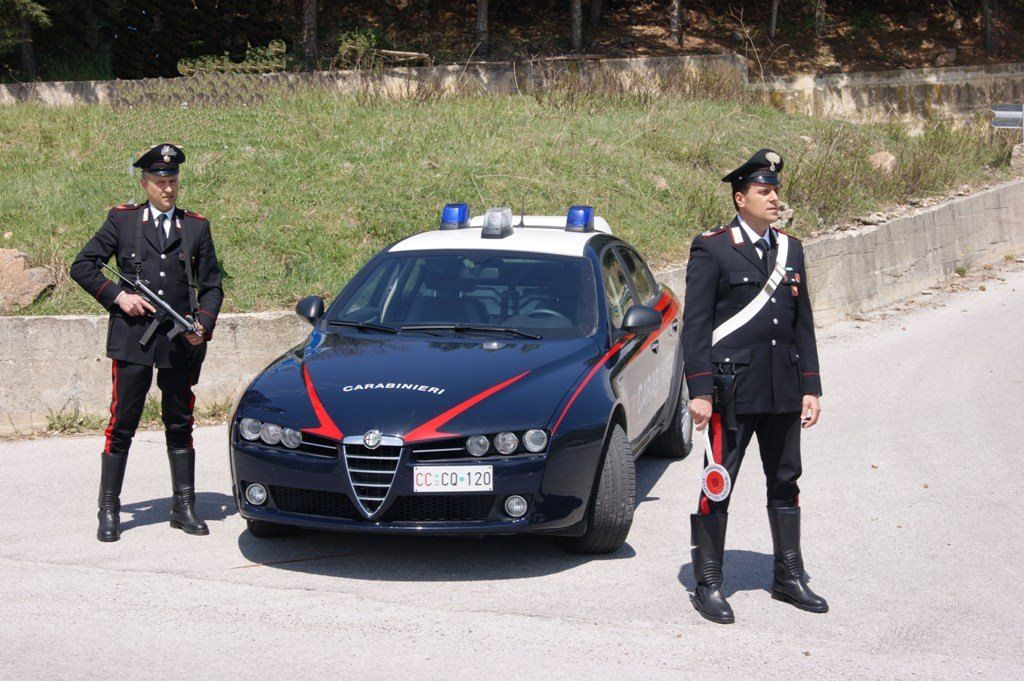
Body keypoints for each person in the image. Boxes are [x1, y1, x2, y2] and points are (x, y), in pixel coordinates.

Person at [681, 148, 827, 624]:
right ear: (740, 198)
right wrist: (700, 390)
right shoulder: (713, 247)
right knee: (717, 483)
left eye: (776, 190)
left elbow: (801, 323)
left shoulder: (792, 248)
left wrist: (811, 384)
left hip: (783, 386)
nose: (773, 197)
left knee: (786, 480)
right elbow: (697, 325)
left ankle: (788, 575)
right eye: (764, 191)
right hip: (732, 389)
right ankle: (709, 583)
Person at [70, 143, 223, 542]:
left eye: (172, 181)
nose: (168, 189)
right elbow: (83, 265)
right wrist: (119, 297)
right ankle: (109, 509)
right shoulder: (123, 221)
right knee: (122, 422)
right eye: (159, 182)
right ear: (145, 183)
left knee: (180, 420)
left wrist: (202, 326)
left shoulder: (195, 227)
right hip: (133, 338)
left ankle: (184, 505)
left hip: (177, 340)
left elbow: (211, 286)